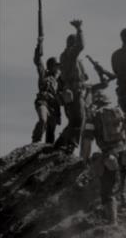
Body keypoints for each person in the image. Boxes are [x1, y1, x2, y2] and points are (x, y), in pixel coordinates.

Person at [85, 92, 126, 224]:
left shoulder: (93, 116)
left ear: (96, 102)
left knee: (107, 191)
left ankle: (113, 222)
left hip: (109, 155)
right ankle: (124, 193)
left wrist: (84, 160)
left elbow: (87, 140)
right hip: (125, 153)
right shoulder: (120, 112)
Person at [54, 20, 88, 155]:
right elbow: (81, 46)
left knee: (76, 119)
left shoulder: (71, 58)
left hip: (75, 90)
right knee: (78, 119)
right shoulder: (69, 54)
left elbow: (84, 77)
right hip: (73, 90)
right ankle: (71, 145)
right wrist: (79, 29)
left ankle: (61, 142)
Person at [32, 37, 63, 144]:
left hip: (54, 107)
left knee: (51, 132)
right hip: (43, 101)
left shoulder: (61, 81)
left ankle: (47, 151)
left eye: (59, 66)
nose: (58, 68)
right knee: (43, 120)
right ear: (51, 67)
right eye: (56, 66)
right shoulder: (44, 74)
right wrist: (39, 45)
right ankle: (35, 141)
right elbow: (38, 61)